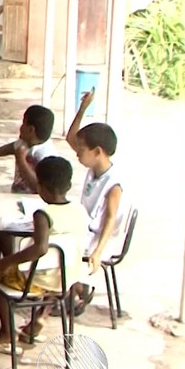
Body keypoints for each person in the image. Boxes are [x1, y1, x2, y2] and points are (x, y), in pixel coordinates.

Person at [0, 157, 87, 350]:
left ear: (41, 186)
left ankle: (6, 333)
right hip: (67, 278)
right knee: (50, 270)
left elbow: (40, 248)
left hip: (38, 281)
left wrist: (7, 262)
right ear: (69, 184)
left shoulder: (43, 214)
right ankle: (39, 320)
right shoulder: (79, 210)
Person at [66, 89, 125, 315]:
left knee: (57, 244)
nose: (77, 153)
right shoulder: (94, 166)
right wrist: (83, 109)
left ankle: (73, 290)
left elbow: (110, 219)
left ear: (98, 151)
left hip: (100, 237)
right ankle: (77, 288)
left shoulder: (114, 183)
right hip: (86, 228)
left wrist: (98, 253)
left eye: (82, 150)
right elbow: (72, 138)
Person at [0, 105, 58, 194]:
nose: (20, 127)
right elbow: (12, 147)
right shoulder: (25, 142)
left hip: (34, 200)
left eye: (23, 123)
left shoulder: (46, 156)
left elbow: (38, 186)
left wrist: (21, 160)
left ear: (31, 129)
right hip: (18, 192)